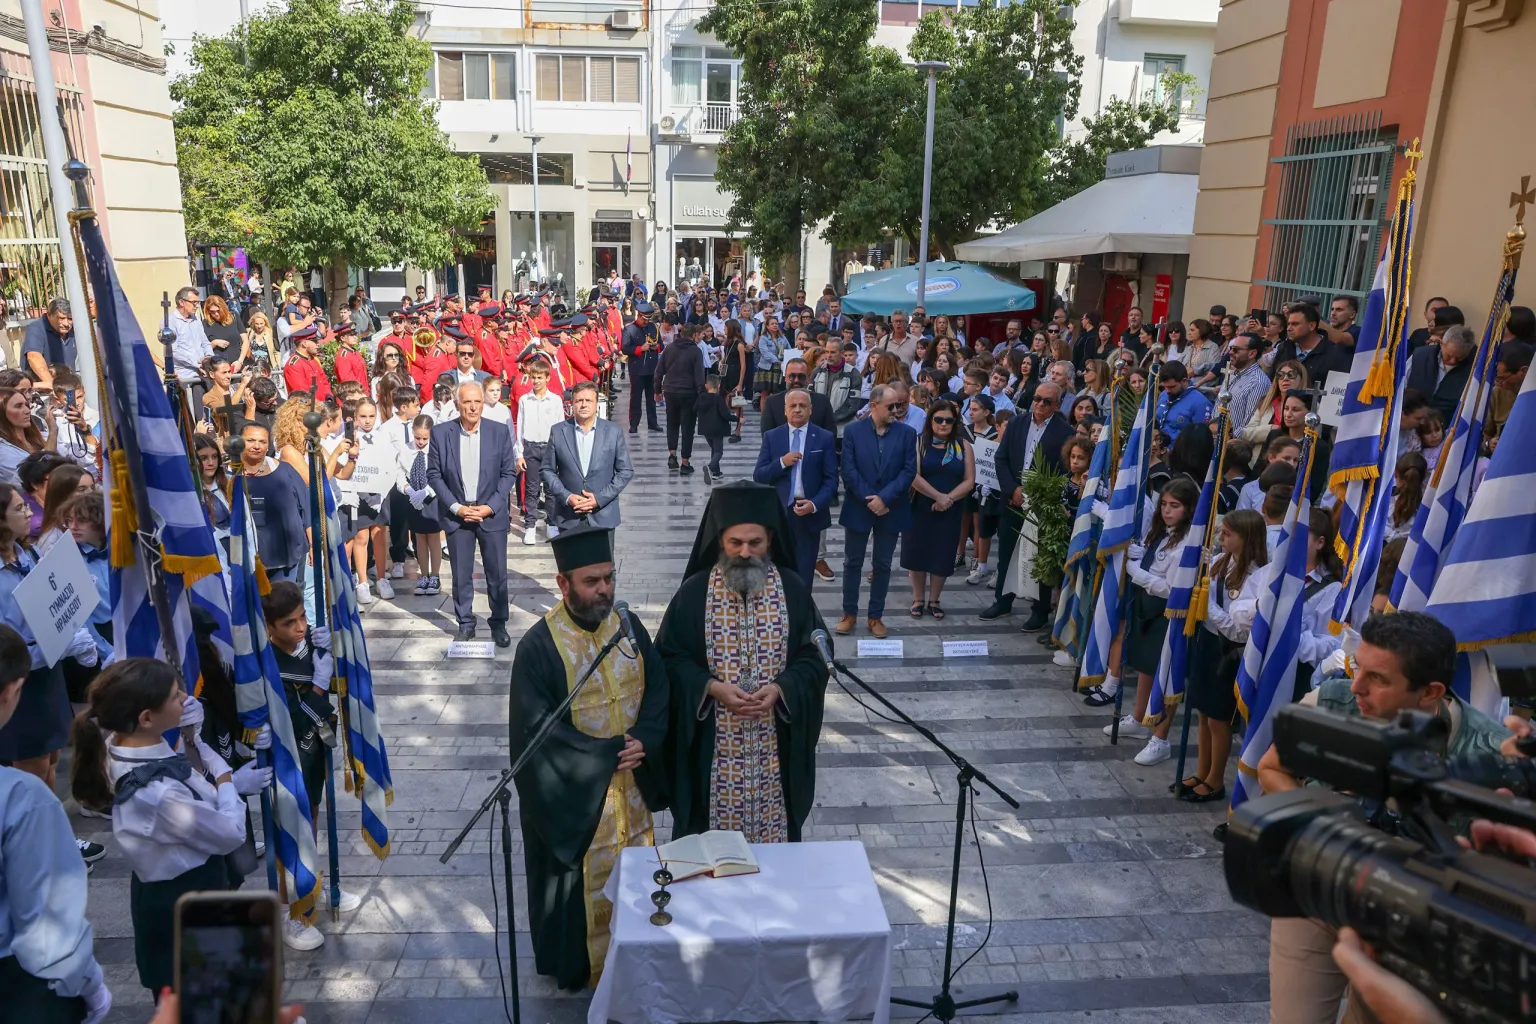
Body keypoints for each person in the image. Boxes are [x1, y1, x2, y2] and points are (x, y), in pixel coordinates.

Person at [1257, 612, 1508, 1024]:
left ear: (1430, 692)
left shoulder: (1488, 755)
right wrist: (1328, 819)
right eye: (1359, 667)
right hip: (1316, 893)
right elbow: (1271, 768)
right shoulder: (1330, 703)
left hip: (1408, 917)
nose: (1356, 686)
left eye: (1378, 678)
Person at [508, 525, 668, 990]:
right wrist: (602, 757)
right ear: (564, 584)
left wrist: (646, 737)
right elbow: (535, 736)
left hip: (632, 793)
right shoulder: (537, 648)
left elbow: (658, 689)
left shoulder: (629, 627)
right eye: (591, 581)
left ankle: (640, 950)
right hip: (578, 804)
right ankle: (580, 966)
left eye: (609, 578)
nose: (604, 590)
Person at [70, 659, 265, 998]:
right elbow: (229, 832)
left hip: (177, 886)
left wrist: (194, 739)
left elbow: (181, 769)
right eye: (176, 696)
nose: (187, 699)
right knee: (194, 993)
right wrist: (227, 781)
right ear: (146, 717)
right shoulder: (157, 794)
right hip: (184, 893)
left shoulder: (122, 742)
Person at [657, 483, 829, 843]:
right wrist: (711, 688)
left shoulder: (794, 591)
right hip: (712, 754)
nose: (745, 552)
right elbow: (668, 660)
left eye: (756, 543)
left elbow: (815, 658)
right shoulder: (693, 594)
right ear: (720, 540)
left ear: (770, 539)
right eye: (735, 543)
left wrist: (782, 689)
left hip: (774, 754)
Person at [0, 624, 110, 1024]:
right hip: (17, 982)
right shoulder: (21, 798)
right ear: (14, 690)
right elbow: (46, 927)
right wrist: (90, 983)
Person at [1177, 508, 1265, 804]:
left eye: (1228, 534)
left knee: (1218, 719)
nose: (1221, 538)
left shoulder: (1254, 576)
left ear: (1247, 538)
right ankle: (1202, 772)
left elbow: (1238, 629)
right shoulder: (1220, 561)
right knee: (1202, 713)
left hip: (1228, 651)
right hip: (1207, 642)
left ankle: (1215, 780)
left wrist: (1206, 606)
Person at [428, 382, 518, 645]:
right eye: (467, 402)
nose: (473, 407)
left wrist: (490, 507)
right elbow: (434, 475)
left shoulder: (499, 432)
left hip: (491, 514)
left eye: (477, 402)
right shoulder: (441, 433)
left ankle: (498, 623)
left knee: (497, 573)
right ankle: (465, 623)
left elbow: (508, 473)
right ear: (457, 404)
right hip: (459, 515)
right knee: (461, 573)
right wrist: (457, 507)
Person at [979, 382, 1073, 629]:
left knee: (1040, 558)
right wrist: (1013, 489)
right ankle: (1003, 601)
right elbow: (1001, 459)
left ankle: (1040, 610)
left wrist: (1042, 494)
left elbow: (1065, 470)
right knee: (1007, 554)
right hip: (1013, 501)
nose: (1040, 404)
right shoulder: (1017, 424)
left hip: (1042, 505)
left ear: (1058, 404)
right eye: (1037, 399)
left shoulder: (1065, 432)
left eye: (1047, 401)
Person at [836, 384, 918, 638]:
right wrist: (869, 498)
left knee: (882, 564)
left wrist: (884, 499)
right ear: (873, 405)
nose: (897, 410)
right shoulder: (853, 431)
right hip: (860, 506)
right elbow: (848, 471)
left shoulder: (907, 433)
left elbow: (908, 472)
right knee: (852, 563)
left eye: (899, 405)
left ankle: (875, 616)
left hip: (891, 508)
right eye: (891, 406)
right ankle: (849, 613)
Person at [753, 389, 836, 587]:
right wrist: (782, 462)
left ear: (810, 409)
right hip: (779, 514)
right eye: (793, 406)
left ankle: (801, 614)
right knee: (777, 572)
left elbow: (831, 480)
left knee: (804, 574)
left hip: (808, 513)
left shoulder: (824, 437)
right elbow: (759, 475)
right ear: (785, 410)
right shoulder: (772, 437)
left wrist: (814, 504)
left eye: (802, 406)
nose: (797, 410)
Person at [901, 400, 974, 620]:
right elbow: (913, 476)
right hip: (921, 506)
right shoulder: (918, 442)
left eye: (948, 420)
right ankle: (918, 598)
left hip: (951, 508)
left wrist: (948, 499)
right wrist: (938, 496)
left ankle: (934, 599)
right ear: (930, 420)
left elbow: (969, 480)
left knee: (943, 554)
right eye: (938, 419)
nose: (943, 424)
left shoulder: (963, 446)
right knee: (917, 552)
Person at [542, 381, 633, 536]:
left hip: (603, 516)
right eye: (579, 401)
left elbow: (625, 471)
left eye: (588, 400)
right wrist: (567, 496)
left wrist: (599, 498)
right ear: (572, 404)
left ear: (596, 404)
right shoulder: (558, 432)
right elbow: (547, 470)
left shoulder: (613, 432)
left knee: (603, 561)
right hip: (568, 516)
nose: (583, 405)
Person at [396, 413, 443, 595]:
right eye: (417, 438)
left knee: (433, 537)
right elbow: (400, 473)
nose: (421, 442)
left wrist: (426, 491)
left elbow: (440, 474)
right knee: (419, 538)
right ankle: (424, 575)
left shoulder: (436, 450)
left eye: (425, 438)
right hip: (413, 498)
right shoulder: (406, 450)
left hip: (431, 497)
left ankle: (435, 576)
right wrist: (409, 490)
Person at [657, 321, 706, 474]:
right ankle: (685, 462)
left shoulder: (669, 348)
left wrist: (657, 390)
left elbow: (659, 372)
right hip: (689, 393)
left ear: (680, 334)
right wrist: (702, 393)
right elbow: (700, 375)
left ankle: (672, 455)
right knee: (688, 427)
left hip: (670, 391)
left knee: (672, 424)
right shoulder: (696, 351)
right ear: (694, 335)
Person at [1405, 322, 1475, 422]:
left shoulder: (1471, 370)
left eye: (1460, 357)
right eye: (1449, 356)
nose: (1453, 361)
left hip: (1443, 428)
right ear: (1441, 343)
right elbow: (1401, 387)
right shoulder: (1419, 356)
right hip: (1411, 422)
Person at [761, 357, 835, 433]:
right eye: (791, 376)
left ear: (807, 377)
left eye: (801, 376)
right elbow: (767, 436)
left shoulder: (822, 402)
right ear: (785, 377)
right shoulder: (772, 402)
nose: (796, 380)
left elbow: (830, 435)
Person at [621, 301, 661, 433]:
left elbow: (661, 345)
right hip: (637, 369)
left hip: (652, 368)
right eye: (644, 319)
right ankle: (634, 424)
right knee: (636, 398)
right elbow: (625, 348)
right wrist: (639, 349)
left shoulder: (653, 327)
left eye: (648, 319)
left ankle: (653, 423)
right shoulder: (629, 329)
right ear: (639, 315)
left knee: (651, 398)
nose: (646, 322)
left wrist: (656, 347)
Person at [21, 299, 75, 388]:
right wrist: (51, 385)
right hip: (43, 388)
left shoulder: (75, 328)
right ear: (49, 315)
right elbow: (34, 357)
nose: (66, 323)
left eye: (70, 319)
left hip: (67, 385)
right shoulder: (36, 329)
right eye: (61, 318)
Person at [1154, 361, 1212, 441]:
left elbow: (1200, 440)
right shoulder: (1164, 394)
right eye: (1164, 387)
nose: (1167, 391)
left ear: (1184, 381)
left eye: (1171, 387)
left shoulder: (1200, 403)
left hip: (1180, 450)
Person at [695, 373, 734, 482]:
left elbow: (694, 409)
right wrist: (738, 419)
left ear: (706, 386)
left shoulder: (701, 397)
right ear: (718, 386)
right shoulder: (718, 399)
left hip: (705, 430)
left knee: (714, 449)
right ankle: (710, 467)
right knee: (718, 452)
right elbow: (725, 415)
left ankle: (716, 472)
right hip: (717, 429)